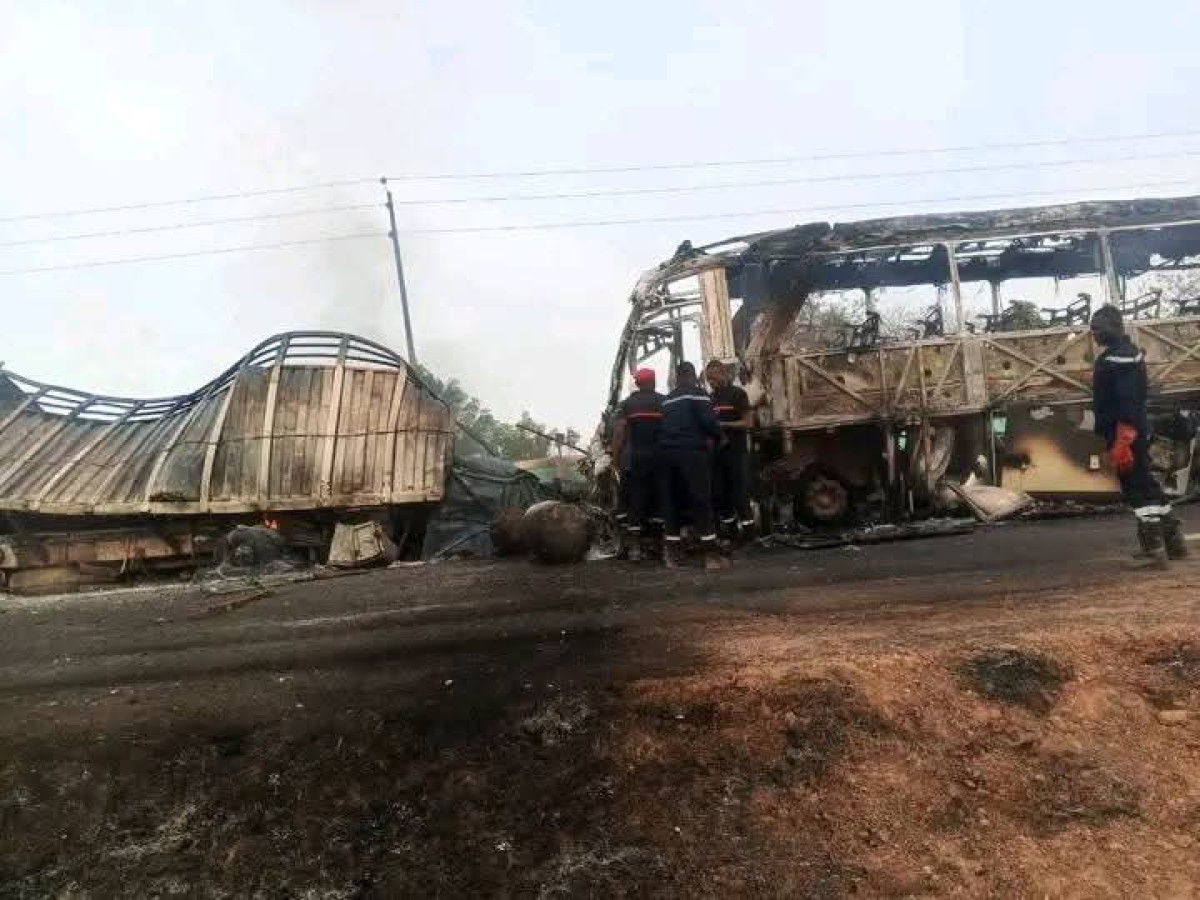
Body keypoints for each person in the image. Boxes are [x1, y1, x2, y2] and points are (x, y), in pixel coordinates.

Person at [1090, 304, 1187, 564]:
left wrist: (1123, 436)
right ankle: (1175, 543)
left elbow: (1127, 399)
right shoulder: (1125, 354)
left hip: (1125, 431)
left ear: (1113, 328)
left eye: (1097, 328)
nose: (1094, 334)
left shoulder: (1118, 359)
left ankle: (1153, 549)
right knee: (1146, 482)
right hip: (1130, 429)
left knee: (1137, 487)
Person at [660, 361, 729, 570]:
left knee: (673, 503)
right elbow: (709, 422)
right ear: (691, 375)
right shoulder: (698, 394)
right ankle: (711, 557)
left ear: (677, 377)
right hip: (691, 452)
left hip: (667, 455)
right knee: (701, 500)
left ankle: (672, 556)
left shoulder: (667, 400)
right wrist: (721, 437)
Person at [609, 368, 665, 561]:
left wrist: (615, 458)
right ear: (654, 381)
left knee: (635, 501)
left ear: (637, 383)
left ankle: (635, 547)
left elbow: (619, 432)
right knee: (657, 500)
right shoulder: (664, 401)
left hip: (634, 460)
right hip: (659, 459)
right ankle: (656, 544)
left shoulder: (627, 404)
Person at [705, 359, 755, 538]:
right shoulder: (710, 399)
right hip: (717, 454)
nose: (711, 382)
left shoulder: (738, 394)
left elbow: (748, 422)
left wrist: (724, 425)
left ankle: (749, 531)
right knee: (720, 493)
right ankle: (731, 531)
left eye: (713, 377)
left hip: (736, 451)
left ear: (723, 374)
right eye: (708, 379)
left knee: (739, 492)